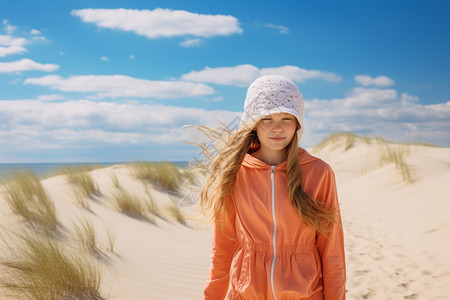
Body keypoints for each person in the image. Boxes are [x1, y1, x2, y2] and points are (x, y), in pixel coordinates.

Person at [199, 75, 346, 299]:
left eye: (286, 118)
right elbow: (222, 248)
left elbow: (332, 250)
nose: (277, 128)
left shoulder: (319, 173)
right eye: (267, 118)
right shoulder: (235, 173)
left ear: (298, 123)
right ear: (253, 123)